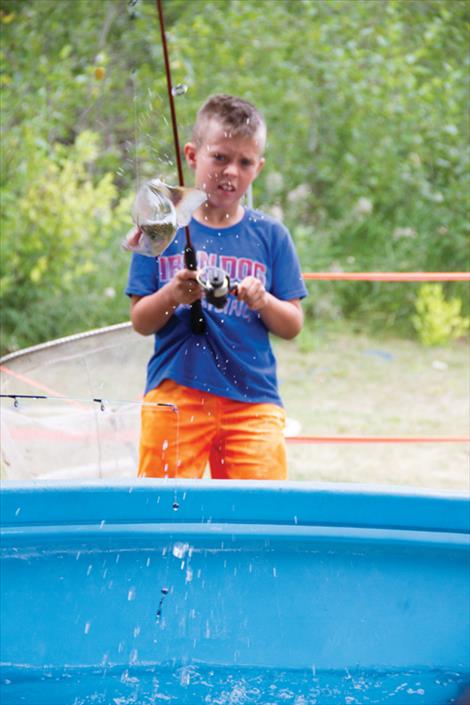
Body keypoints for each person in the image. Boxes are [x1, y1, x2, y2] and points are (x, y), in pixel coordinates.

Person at [126, 94, 307, 480]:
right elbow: (141, 320)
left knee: (258, 520)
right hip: (175, 396)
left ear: (258, 167)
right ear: (192, 155)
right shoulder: (160, 227)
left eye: (244, 162)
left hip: (254, 402)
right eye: (220, 157)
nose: (231, 172)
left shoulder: (272, 235)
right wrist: (173, 295)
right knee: (164, 513)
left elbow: (292, 324)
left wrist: (263, 301)